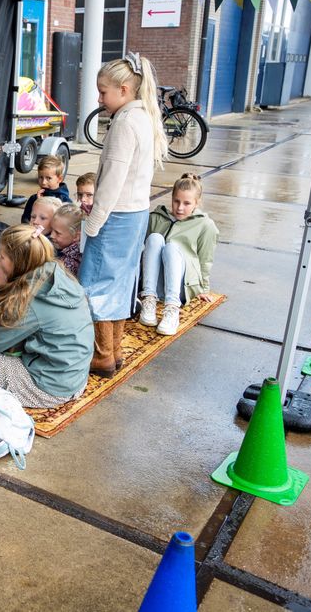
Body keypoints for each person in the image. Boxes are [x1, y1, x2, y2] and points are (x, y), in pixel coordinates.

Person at [77, 53, 168, 378]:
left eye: (103, 91)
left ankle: (102, 356)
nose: (99, 98)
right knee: (118, 285)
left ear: (125, 89)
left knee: (95, 287)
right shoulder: (143, 116)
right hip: (136, 215)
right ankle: (113, 352)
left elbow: (111, 182)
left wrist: (91, 225)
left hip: (115, 217)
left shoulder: (125, 123)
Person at [0, 225, 93, 409]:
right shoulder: (54, 271)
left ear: (7, 261)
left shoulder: (26, 297)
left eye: (0, 256)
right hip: (74, 377)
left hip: (48, 388)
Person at [139, 173, 219, 335]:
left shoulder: (205, 225)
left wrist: (204, 288)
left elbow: (205, 258)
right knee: (154, 238)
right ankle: (148, 299)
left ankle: (172, 310)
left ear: (197, 203)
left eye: (187, 203)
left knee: (171, 248)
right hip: (155, 284)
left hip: (181, 288)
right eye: (176, 201)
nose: (180, 207)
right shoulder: (156, 217)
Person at [20, 155, 72, 224]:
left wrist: (41, 204)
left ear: (59, 179)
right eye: (41, 177)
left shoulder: (64, 201)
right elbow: (25, 220)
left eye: (48, 178)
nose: (43, 182)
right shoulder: (34, 198)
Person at [50, 204, 85, 277]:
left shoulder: (68, 264)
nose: (51, 235)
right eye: (51, 230)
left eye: (57, 233)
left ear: (76, 236)